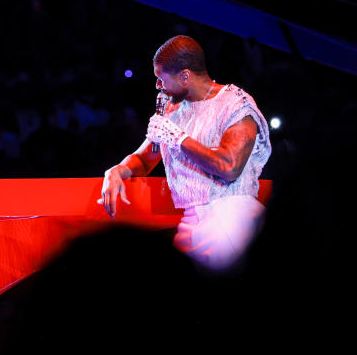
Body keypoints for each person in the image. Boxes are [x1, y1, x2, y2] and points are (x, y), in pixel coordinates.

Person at [100, 35, 270, 271]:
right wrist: (117, 170)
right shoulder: (173, 108)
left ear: (185, 76)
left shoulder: (236, 104)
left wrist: (179, 138)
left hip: (232, 215)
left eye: (161, 79)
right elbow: (145, 158)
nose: (158, 86)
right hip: (193, 220)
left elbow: (229, 167)